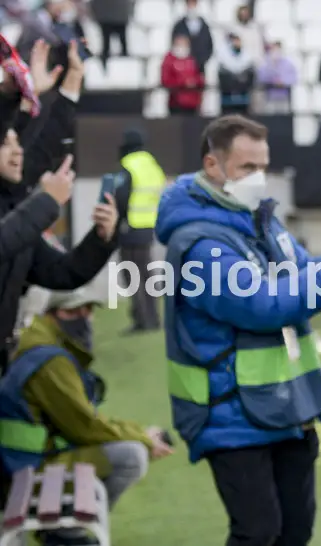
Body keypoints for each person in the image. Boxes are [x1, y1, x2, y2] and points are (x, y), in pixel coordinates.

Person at [155, 114, 321, 546]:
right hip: (231, 412)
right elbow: (261, 305)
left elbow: (299, 283)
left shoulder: (262, 220)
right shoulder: (200, 242)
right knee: (258, 534)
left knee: (295, 532)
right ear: (212, 165)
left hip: (286, 406)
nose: (259, 178)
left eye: (264, 166)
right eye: (247, 168)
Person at [0, 286, 174, 546]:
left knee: (127, 448)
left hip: (24, 460)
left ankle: (63, 532)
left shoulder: (41, 342)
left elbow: (81, 420)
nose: (84, 316)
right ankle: (64, 534)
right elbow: (84, 426)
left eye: (88, 309)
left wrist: (139, 432)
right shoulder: (48, 360)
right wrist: (144, 437)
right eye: (72, 311)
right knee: (131, 456)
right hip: (23, 469)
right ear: (50, 314)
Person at [0, 38, 119, 373]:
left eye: (16, 143)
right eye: (6, 143)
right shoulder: (23, 208)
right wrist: (47, 203)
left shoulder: (14, 200)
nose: (18, 150)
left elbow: (63, 272)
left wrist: (101, 237)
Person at [112, 127, 167, 334]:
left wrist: (118, 220)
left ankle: (141, 319)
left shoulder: (129, 165)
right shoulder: (152, 165)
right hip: (147, 225)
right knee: (146, 274)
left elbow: (121, 197)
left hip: (130, 226)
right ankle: (153, 318)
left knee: (131, 273)